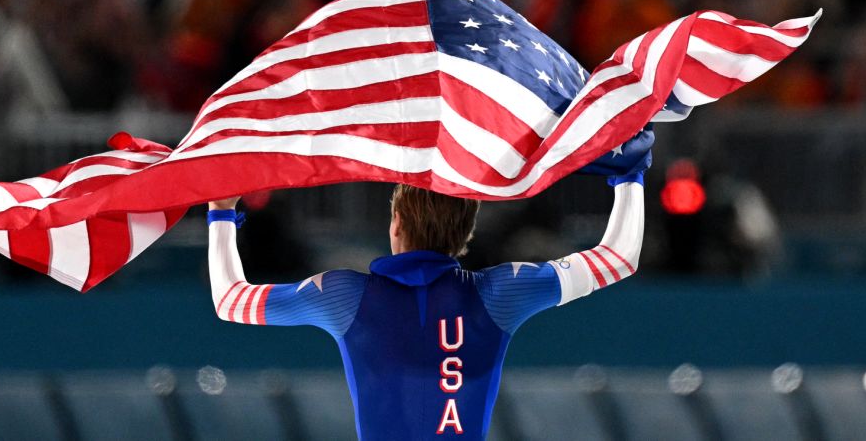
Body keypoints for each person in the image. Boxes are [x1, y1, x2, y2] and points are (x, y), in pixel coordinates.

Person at [206, 172, 645, 440]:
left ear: (396, 224)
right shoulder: (501, 292)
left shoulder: (343, 295)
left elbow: (229, 300)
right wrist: (629, 177)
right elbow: (620, 258)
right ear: (465, 233)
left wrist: (221, 211)